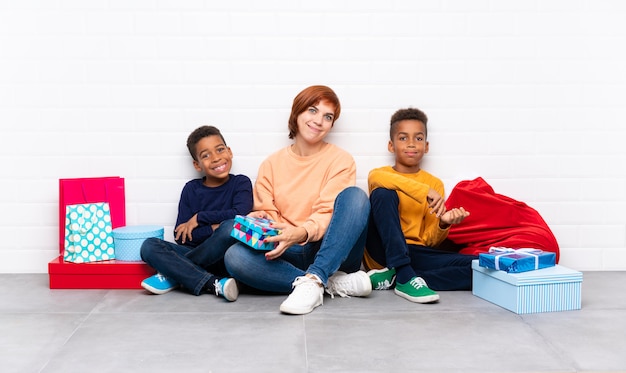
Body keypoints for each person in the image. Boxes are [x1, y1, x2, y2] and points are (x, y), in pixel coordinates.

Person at [224, 85, 372, 315]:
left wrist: (301, 233)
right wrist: (278, 233)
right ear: (297, 113)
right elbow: (267, 213)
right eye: (312, 110)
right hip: (285, 250)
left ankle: (318, 274)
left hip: (330, 248)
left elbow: (326, 213)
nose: (319, 120)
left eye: (328, 116)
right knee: (234, 256)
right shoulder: (271, 164)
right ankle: (325, 282)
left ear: (332, 124)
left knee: (356, 197)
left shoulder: (341, 160)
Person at [364, 107, 477, 304]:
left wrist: (443, 223)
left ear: (426, 146)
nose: (411, 144)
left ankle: (399, 276)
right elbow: (376, 179)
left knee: (478, 267)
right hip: (382, 252)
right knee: (383, 193)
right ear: (391, 146)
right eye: (403, 138)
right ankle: (403, 271)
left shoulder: (435, 184)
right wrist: (423, 192)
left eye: (418, 138)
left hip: (415, 253)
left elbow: (429, 240)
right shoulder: (380, 174)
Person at [140, 125, 253, 301]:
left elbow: (240, 216)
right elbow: (181, 236)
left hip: (225, 258)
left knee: (231, 227)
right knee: (149, 245)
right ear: (197, 164)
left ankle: (175, 273)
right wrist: (213, 228)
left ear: (229, 152)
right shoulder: (191, 189)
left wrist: (200, 218)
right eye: (206, 155)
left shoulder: (241, 183)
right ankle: (213, 283)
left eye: (220, 150)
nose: (215, 158)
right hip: (196, 252)